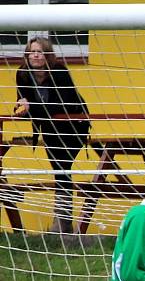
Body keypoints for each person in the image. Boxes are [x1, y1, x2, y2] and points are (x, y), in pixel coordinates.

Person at [15, 36, 90, 234]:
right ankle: (63, 221)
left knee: (62, 166)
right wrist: (22, 105)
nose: (35, 55)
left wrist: (33, 107)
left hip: (74, 126)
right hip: (49, 127)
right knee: (60, 168)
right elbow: (23, 102)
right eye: (32, 51)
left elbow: (61, 105)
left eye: (39, 51)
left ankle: (62, 221)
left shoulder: (60, 72)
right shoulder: (22, 74)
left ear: (47, 54)